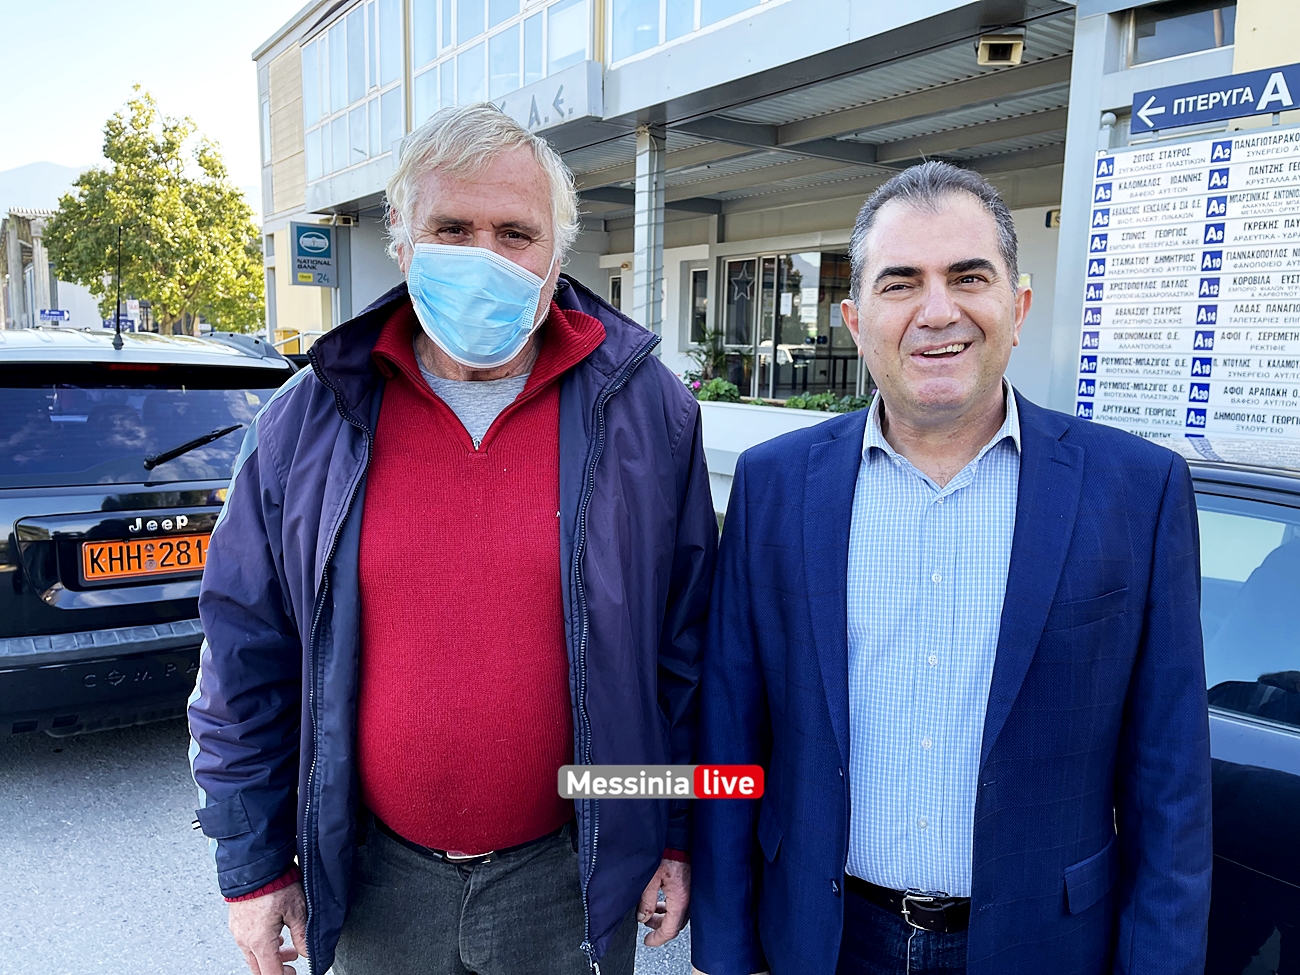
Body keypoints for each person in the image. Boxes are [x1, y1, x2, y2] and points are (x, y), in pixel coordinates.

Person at [188, 104, 717, 975]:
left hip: (567, 877)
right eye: (452, 229)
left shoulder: (648, 414)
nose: (483, 257)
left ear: (556, 257)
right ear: (403, 243)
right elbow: (245, 654)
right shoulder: (307, 419)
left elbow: (685, 652)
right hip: (376, 878)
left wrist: (675, 832)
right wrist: (252, 864)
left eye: (515, 233)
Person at [690, 161, 1212, 975]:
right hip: (826, 939)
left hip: (1045, 946)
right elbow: (732, 734)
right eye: (901, 283)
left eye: (969, 277)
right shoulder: (776, 485)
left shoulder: (1137, 491)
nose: (938, 311)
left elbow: (1170, 781)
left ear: (1019, 306)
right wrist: (723, 951)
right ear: (856, 320)